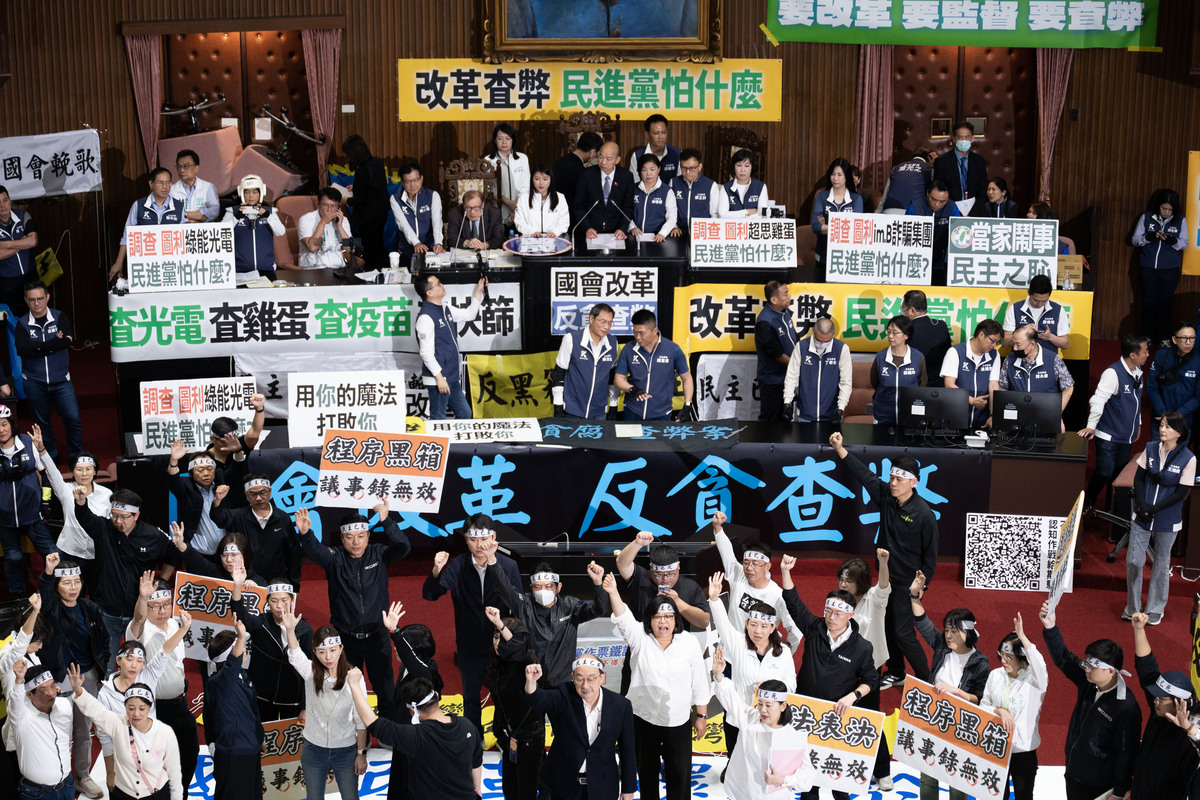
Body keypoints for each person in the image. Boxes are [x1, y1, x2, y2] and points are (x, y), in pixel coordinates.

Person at [828, 432, 937, 685]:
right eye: (891, 477)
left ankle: (927, 682)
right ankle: (897, 671)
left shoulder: (924, 515)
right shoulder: (887, 496)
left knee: (903, 633)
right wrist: (840, 449)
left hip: (908, 583)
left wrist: (921, 588)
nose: (893, 483)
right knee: (887, 626)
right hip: (885, 579)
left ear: (914, 482)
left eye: (899, 479)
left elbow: (930, 557)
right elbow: (865, 475)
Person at [295, 504, 409, 719]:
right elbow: (315, 550)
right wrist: (306, 533)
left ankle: (387, 733)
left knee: (386, 692)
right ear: (342, 538)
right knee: (346, 692)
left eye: (361, 536)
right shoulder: (334, 558)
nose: (356, 542)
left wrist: (386, 521)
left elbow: (403, 546)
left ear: (368, 536)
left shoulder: (379, 554)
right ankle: (352, 735)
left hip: (377, 637)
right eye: (350, 537)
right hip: (346, 640)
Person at [779, 555, 878, 800]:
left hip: (837, 719)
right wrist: (786, 571)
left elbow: (871, 679)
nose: (831, 618)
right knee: (807, 781)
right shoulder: (814, 629)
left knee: (839, 784)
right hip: (807, 715)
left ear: (850, 615)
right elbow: (794, 604)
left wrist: (853, 696)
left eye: (838, 614)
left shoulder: (862, 647)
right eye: (828, 611)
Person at [603, 572, 707, 800]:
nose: (663, 621)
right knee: (646, 772)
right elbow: (623, 616)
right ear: (649, 620)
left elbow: (700, 680)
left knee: (679, 776)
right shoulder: (639, 637)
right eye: (657, 616)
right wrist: (613, 592)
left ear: (676, 620)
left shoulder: (688, 642)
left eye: (668, 616)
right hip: (643, 718)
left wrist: (701, 715)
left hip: (677, 719)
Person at [422, 515, 522, 733]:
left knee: (502, 695)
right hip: (469, 646)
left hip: (500, 647)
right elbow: (430, 594)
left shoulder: (508, 565)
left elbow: (519, 607)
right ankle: (474, 739)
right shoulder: (458, 565)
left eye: (484, 539)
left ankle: (502, 736)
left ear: (494, 537)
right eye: (473, 539)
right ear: (466, 540)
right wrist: (437, 570)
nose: (479, 545)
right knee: (470, 697)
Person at [1040, 599, 1140, 800]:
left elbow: (1126, 753)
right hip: (1074, 773)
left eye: (1092, 667)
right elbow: (1064, 658)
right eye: (1086, 663)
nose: (1086, 669)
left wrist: (1119, 791)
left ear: (1111, 671)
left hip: (1099, 785)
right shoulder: (1090, 681)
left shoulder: (1126, 708)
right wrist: (1050, 628)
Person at [75, 486, 179, 670]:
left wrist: (162, 581)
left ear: (136, 515)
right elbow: (85, 518)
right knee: (107, 666)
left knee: (142, 663)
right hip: (107, 609)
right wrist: (81, 501)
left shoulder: (152, 535)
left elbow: (173, 554)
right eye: (114, 515)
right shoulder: (104, 528)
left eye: (124, 517)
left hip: (139, 611)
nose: (118, 521)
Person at [909, 572, 989, 800]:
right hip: (934, 718)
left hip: (960, 726)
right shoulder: (942, 647)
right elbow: (922, 622)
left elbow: (981, 699)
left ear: (968, 632)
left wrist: (957, 692)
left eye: (955, 631)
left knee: (957, 781)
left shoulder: (980, 664)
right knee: (927, 775)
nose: (948, 636)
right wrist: (914, 595)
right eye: (947, 630)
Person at [705, 571, 796, 772]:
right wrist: (714, 600)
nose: (758, 631)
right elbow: (722, 624)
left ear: (772, 628)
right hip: (739, 715)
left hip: (769, 718)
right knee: (736, 761)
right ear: (746, 624)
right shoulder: (738, 643)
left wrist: (770, 689)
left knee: (763, 765)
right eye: (753, 624)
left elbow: (791, 685)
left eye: (764, 626)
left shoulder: (783, 652)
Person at [36, 553, 109, 798]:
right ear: (57, 586)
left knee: (84, 730)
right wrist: (48, 573)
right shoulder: (51, 608)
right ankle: (61, 777)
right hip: (59, 677)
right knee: (59, 730)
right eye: (67, 582)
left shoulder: (90, 608)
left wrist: (100, 671)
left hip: (87, 676)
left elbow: (104, 641)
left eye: (77, 581)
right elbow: (45, 596)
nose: (73, 587)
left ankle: (83, 776)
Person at [93, 617, 190, 793]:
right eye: (129, 659)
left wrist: (184, 628)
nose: (134, 665)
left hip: (151, 756)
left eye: (139, 661)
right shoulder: (106, 694)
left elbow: (166, 650)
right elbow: (105, 738)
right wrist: (110, 773)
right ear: (118, 660)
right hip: (123, 761)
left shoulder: (149, 675)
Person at [349, 672, 483, 799]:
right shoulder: (467, 726)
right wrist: (477, 788)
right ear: (436, 695)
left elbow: (373, 724)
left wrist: (355, 685)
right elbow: (476, 763)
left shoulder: (416, 736)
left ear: (412, 709)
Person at [523, 656, 637, 800]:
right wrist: (531, 682)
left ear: (602, 678)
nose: (585, 685)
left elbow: (627, 750)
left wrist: (628, 789)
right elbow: (538, 699)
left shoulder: (621, 705)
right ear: (573, 677)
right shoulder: (563, 695)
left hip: (603, 786)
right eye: (579, 679)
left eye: (591, 679)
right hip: (564, 785)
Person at [282, 611, 368, 800]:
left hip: (346, 750)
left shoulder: (354, 677)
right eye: (321, 652)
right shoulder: (311, 673)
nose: (328, 657)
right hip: (313, 748)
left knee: (350, 796)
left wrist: (361, 753)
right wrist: (289, 630)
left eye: (332, 650)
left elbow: (360, 718)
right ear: (314, 652)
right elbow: (295, 656)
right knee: (314, 797)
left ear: (341, 649)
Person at [710, 649, 815, 800]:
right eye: (760, 704)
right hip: (743, 794)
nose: (763, 710)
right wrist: (719, 675)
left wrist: (783, 780)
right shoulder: (751, 719)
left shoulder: (792, 737)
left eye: (769, 705)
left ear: (783, 706)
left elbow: (807, 777)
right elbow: (731, 700)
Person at [69, 663, 183, 800]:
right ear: (125, 707)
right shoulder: (118, 724)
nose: (136, 713)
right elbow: (97, 711)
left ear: (150, 707)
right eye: (131, 708)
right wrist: (78, 690)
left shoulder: (165, 732)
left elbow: (175, 774)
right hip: (123, 794)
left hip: (156, 794)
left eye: (142, 708)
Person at [127, 575, 199, 790]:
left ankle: (181, 793)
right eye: (155, 606)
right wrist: (143, 598)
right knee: (158, 763)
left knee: (190, 752)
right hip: (155, 709)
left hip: (181, 704)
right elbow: (138, 619)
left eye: (166, 604)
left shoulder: (176, 623)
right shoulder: (140, 630)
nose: (162, 611)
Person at [489, 560, 610, 687]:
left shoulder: (570, 606)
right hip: (529, 679)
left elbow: (599, 609)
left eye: (548, 586)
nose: (543, 591)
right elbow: (504, 587)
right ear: (531, 588)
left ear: (558, 587)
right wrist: (491, 560)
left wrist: (598, 582)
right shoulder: (523, 605)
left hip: (561, 681)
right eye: (537, 587)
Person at [1125, 412, 1195, 624]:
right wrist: (1141, 506)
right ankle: (1132, 607)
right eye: (1162, 425)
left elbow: (1180, 494)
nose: (1162, 430)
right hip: (1142, 515)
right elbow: (1138, 479)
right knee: (1134, 561)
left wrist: (1154, 509)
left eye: (1168, 427)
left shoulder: (1189, 458)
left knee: (1161, 564)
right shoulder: (1150, 448)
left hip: (1167, 519)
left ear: (1179, 433)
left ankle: (1155, 608)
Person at [835, 551, 894, 791]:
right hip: (842, 667)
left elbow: (884, 586)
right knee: (840, 714)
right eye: (841, 579)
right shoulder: (838, 601)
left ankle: (882, 772)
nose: (843, 584)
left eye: (848, 580)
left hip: (869, 671)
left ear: (861, 583)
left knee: (870, 719)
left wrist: (883, 563)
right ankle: (843, 764)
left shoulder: (874, 600)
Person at [1129, 611, 1200, 799]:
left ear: (1179, 702)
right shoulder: (1160, 711)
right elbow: (1146, 668)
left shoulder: (1189, 739)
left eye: (1161, 698)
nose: (1155, 700)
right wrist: (1139, 630)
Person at [978, 614, 1048, 800]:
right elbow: (983, 706)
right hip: (996, 747)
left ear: (1022, 657)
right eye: (1002, 654)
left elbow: (1040, 665)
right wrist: (998, 711)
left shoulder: (1035, 681)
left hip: (1023, 752)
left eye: (1009, 657)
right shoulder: (995, 675)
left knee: (1024, 796)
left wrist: (1023, 638)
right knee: (997, 796)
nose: (1003, 660)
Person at [1080, 333, 1151, 513]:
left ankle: (1111, 510)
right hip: (1108, 435)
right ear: (1132, 355)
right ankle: (1088, 500)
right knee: (1104, 471)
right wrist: (1091, 426)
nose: (1148, 354)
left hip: (1126, 436)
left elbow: (1136, 402)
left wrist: (1138, 424)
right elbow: (1098, 400)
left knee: (1118, 476)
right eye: (1145, 351)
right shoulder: (1113, 374)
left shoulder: (1137, 372)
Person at [712, 511, 800, 650]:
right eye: (746, 563)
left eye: (755, 564)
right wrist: (717, 528)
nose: (749, 568)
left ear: (767, 567)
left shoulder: (778, 595)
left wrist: (785, 655)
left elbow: (795, 630)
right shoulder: (738, 575)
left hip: (758, 654)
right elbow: (727, 552)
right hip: (730, 650)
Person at [381, 604, 443, 800]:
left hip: (417, 745)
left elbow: (409, 657)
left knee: (413, 789)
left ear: (415, 650)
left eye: (404, 644)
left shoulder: (425, 673)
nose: (396, 648)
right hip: (402, 739)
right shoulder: (405, 669)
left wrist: (395, 632)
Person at [231, 572, 312, 722]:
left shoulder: (305, 629)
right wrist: (237, 586)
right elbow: (240, 618)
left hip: (292, 697)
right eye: (274, 601)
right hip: (262, 695)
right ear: (267, 602)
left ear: (292, 600)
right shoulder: (261, 623)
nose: (279, 606)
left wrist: (305, 706)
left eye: (284, 600)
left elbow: (310, 671)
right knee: (262, 734)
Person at [14, 281, 80, 464]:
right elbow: (22, 350)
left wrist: (37, 347)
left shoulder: (59, 317)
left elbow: (67, 342)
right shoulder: (22, 323)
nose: (37, 303)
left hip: (61, 380)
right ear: (26, 300)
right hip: (34, 381)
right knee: (41, 423)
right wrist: (53, 344)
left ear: (47, 297)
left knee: (73, 418)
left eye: (40, 299)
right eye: (32, 300)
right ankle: (51, 457)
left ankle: (76, 456)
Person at [203, 622, 264, 800]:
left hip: (250, 749)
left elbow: (253, 711)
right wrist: (241, 636)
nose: (244, 650)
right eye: (240, 646)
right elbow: (232, 663)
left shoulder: (242, 676)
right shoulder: (220, 682)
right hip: (233, 753)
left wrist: (259, 738)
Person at [485, 610, 541, 800]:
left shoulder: (527, 662)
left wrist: (500, 624)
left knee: (525, 792)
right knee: (509, 789)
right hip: (508, 735)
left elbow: (519, 646)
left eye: (503, 638)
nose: (498, 643)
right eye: (495, 637)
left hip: (528, 737)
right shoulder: (496, 663)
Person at [0, 405, 55, 599]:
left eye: (4, 424)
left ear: (11, 424)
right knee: (13, 557)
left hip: (33, 513)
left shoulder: (27, 442)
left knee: (51, 553)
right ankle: (18, 597)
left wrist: (46, 503)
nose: (1, 430)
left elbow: (46, 473)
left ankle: (49, 592)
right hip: (5, 517)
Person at [414, 273, 486, 420]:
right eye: (438, 284)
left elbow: (469, 314)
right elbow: (426, 353)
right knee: (438, 417)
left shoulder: (445, 308)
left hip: (451, 376)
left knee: (465, 413)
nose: (442, 285)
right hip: (439, 378)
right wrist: (439, 378)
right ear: (429, 293)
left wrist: (479, 291)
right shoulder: (425, 318)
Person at [32, 425, 108, 562]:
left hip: (98, 551)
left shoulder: (106, 494)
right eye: (79, 469)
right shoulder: (65, 490)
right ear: (73, 472)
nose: (84, 473)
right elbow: (52, 472)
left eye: (88, 469)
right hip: (70, 551)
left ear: (95, 472)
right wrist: (42, 450)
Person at [209, 475, 302, 587]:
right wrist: (218, 500)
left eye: (263, 493)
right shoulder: (238, 516)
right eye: (253, 494)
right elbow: (219, 517)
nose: (258, 498)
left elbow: (293, 554)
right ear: (246, 496)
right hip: (247, 582)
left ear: (270, 492)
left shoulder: (283, 518)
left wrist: (294, 586)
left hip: (276, 581)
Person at [614, 532, 711, 629]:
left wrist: (678, 603)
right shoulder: (641, 578)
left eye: (671, 573)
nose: (665, 579)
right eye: (659, 574)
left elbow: (704, 622)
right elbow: (622, 564)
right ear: (651, 568)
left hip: (677, 638)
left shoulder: (690, 587)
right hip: (643, 637)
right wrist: (637, 543)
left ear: (678, 566)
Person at [9, 659, 75, 800]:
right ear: (29, 695)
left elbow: (67, 740)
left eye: (52, 686)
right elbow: (15, 702)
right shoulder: (22, 718)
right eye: (43, 690)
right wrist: (19, 681)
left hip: (67, 784)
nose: (51, 693)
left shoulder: (64, 705)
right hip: (38, 793)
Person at [167, 441, 245, 557]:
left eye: (209, 469)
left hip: (226, 552)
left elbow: (237, 469)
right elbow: (173, 481)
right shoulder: (186, 486)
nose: (206, 473)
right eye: (200, 470)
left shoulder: (221, 482)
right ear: (191, 474)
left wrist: (238, 450)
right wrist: (173, 461)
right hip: (198, 553)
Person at [613, 309, 693, 422]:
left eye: (642, 333)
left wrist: (687, 405)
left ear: (655, 330)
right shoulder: (628, 349)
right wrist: (632, 389)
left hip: (662, 414)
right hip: (632, 411)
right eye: (635, 332)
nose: (637, 337)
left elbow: (686, 377)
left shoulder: (672, 349)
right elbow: (618, 379)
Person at [109, 168, 186, 281]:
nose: (165, 187)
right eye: (160, 182)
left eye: (168, 183)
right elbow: (127, 237)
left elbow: (184, 238)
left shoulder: (179, 207)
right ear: (151, 184)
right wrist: (119, 262)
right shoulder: (139, 205)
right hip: (145, 263)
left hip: (171, 262)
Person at [1133, 188, 1188, 344]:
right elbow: (1135, 240)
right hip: (1148, 268)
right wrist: (1148, 237)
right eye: (1164, 208)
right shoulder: (1146, 217)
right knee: (1148, 303)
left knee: (1165, 304)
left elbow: (1184, 243)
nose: (1166, 212)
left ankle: (1164, 337)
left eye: (1170, 210)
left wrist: (1173, 241)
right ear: (1159, 206)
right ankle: (1147, 337)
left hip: (1169, 270)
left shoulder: (1180, 220)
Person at [999, 323, 1075, 432]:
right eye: (1013, 343)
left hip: (1046, 418)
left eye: (1018, 344)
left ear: (1032, 344)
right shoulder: (1009, 360)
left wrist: (1057, 414)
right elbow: (1002, 388)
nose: (1014, 348)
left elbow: (1068, 387)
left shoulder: (1053, 359)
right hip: (1017, 421)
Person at [552, 302, 617, 420]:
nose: (606, 327)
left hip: (599, 412)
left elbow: (612, 377)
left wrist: (613, 406)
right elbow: (558, 374)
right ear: (591, 319)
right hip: (572, 411)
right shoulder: (572, 339)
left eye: (610, 323)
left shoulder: (612, 343)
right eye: (602, 322)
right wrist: (558, 406)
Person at [782, 315, 852, 423]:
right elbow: (791, 376)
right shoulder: (801, 347)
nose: (822, 344)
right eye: (818, 340)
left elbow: (846, 382)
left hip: (832, 414)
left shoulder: (841, 349)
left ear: (833, 334)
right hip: (805, 414)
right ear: (813, 331)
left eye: (827, 341)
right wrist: (787, 402)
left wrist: (840, 408)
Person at [941, 318, 1003, 429]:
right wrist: (971, 401)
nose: (994, 345)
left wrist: (993, 415)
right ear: (981, 334)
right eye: (992, 341)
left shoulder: (994, 355)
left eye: (997, 342)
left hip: (982, 418)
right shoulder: (955, 352)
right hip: (956, 415)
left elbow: (993, 385)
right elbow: (949, 384)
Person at [223, 174, 288, 281]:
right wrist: (237, 217)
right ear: (241, 193)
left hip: (266, 269)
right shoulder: (232, 211)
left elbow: (280, 232)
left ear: (261, 192)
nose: (251, 196)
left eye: (255, 192)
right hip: (240, 270)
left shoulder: (270, 212)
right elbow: (221, 232)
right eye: (247, 192)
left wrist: (267, 216)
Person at [870, 314, 927, 427]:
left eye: (895, 333)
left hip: (909, 415)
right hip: (883, 414)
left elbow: (922, 384)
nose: (890, 336)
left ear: (906, 335)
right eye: (888, 332)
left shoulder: (918, 357)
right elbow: (875, 381)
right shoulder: (881, 357)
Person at [1147, 322, 1200, 441]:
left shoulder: (1198, 361)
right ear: (1174, 339)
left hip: (1183, 421)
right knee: (1157, 452)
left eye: (1192, 338)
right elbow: (1151, 387)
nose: (1188, 342)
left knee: (1179, 453)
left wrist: (1177, 416)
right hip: (1160, 420)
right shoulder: (1162, 355)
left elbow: (1198, 397)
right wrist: (1163, 414)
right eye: (1184, 338)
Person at [342, 135, 389, 268]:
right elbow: (374, 186)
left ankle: (371, 271)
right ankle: (381, 269)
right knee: (378, 244)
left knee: (370, 247)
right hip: (381, 212)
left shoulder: (361, 170)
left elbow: (359, 201)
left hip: (368, 216)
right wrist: (356, 187)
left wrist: (345, 199)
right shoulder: (377, 162)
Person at [812, 157, 864, 278]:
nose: (835, 178)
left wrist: (827, 226)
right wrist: (844, 228)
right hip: (824, 255)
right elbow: (816, 227)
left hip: (848, 256)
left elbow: (856, 229)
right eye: (833, 174)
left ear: (847, 177)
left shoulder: (856, 199)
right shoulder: (822, 197)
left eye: (840, 175)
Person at [754, 280, 798, 423]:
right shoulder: (765, 322)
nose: (789, 296)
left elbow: (793, 337)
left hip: (788, 378)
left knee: (786, 420)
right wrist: (799, 367)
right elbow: (776, 354)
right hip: (773, 382)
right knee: (771, 422)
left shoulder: (784, 312)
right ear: (774, 300)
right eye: (785, 294)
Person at [574, 141, 635, 240]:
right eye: (601, 157)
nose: (603, 162)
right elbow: (579, 206)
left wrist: (622, 228)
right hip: (591, 233)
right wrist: (587, 228)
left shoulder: (626, 177)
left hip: (616, 234)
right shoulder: (586, 175)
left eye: (608, 159)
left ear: (617, 160)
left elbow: (628, 208)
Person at [171, 524, 265, 586]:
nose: (229, 559)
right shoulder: (213, 572)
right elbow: (197, 561)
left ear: (244, 555)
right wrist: (181, 545)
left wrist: (256, 588)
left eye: (234, 555)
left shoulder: (256, 580)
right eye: (225, 555)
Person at [906, 179, 962, 283]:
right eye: (933, 199)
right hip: (916, 257)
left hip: (940, 257)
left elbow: (957, 232)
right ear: (927, 193)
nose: (936, 204)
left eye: (942, 202)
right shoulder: (915, 206)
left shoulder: (951, 207)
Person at [1001, 274, 1069, 354]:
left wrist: (1050, 337)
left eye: (1044, 301)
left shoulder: (1058, 310)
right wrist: (1023, 333)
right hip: (1021, 359)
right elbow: (1005, 342)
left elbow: (1065, 344)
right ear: (1029, 292)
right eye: (1036, 300)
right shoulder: (1015, 309)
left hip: (1048, 359)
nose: (1039, 304)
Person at [390, 162, 445, 258]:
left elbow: (437, 221)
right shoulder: (395, 198)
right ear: (402, 182)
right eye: (408, 181)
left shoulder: (432, 195)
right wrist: (417, 243)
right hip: (406, 249)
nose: (413, 185)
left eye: (416, 180)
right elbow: (403, 224)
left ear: (421, 179)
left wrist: (438, 243)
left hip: (430, 249)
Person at [0, 186, 37, 317]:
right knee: (9, 318)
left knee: (36, 315)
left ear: (10, 200)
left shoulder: (23, 215)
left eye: (5, 200)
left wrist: (5, 244)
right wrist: (22, 243)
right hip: (6, 282)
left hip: (30, 276)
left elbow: (33, 241)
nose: (2, 205)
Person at [933, 121, 988, 207]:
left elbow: (983, 189)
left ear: (972, 138)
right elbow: (939, 189)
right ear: (954, 138)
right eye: (960, 137)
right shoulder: (942, 161)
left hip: (975, 208)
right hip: (950, 208)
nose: (964, 140)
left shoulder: (979, 161)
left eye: (967, 137)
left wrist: (975, 209)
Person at [555, 131, 603, 226]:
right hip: (572, 220)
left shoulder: (559, 162)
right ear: (592, 152)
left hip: (555, 217)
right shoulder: (581, 171)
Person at [487, 123, 531, 225]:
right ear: (495, 140)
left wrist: (515, 206)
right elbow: (489, 188)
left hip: (520, 209)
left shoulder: (522, 158)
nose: (504, 142)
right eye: (500, 138)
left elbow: (526, 185)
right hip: (498, 210)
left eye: (508, 138)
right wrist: (508, 202)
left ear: (512, 140)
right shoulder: (488, 161)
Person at [902, 290, 952, 379]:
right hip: (939, 381)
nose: (903, 313)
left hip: (914, 381)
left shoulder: (906, 329)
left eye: (904, 310)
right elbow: (948, 355)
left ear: (912, 310)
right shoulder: (941, 326)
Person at [628, 153, 677, 242]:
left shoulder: (667, 191)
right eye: (644, 170)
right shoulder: (633, 189)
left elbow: (672, 217)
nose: (648, 173)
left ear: (659, 169)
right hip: (635, 237)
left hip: (658, 238)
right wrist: (632, 227)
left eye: (652, 169)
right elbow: (626, 212)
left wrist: (662, 233)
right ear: (639, 171)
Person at [298, 188, 351, 269]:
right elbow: (313, 248)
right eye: (325, 205)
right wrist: (322, 222)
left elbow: (350, 249)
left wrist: (340, 227)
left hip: (338, 268)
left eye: (333, 206)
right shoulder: (306, 219)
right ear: (318, 204)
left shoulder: (343, 220)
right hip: (313, 268)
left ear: (339, 206)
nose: (329, 209)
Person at [669, 147, 718, 235]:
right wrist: (673, 226)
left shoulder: (711, 185)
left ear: (700, 167)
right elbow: (669, 209)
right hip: (679, 233)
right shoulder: (673, 183)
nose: (687, 172)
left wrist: (707, 231)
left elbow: (715, 215)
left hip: (702, 233)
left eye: (692, 168)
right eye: (683, 168)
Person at [514, 163, 569, 238]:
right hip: (530, 238)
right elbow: (519, 221)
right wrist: (532, 232)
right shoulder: (523, 198)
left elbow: (564, 222)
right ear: (532, 179)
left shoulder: (560, 198)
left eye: (545, 179)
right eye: (537, 179)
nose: (541, 183)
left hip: (553, 239)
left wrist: (554, 232)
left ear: (551, 179)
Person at [169, 149, 219, 223]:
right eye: (179, 166)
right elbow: (171, 215)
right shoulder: (171, 190)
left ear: (196, 168)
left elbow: (214, 211)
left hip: (204, 228)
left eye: (186, 166)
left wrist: (185, 214)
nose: (182, 170)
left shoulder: (208, 187)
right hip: (181, 228)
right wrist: (191, 220)